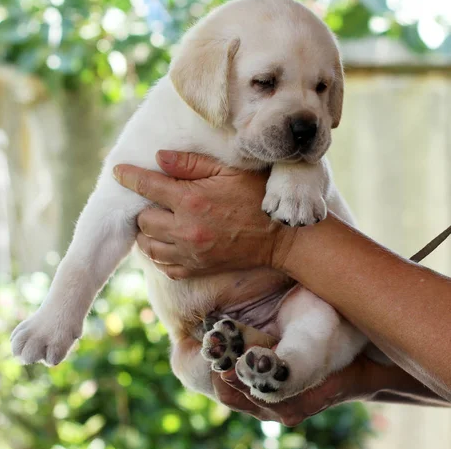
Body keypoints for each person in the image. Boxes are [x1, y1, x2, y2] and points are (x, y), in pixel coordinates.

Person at [113, 151, 451, 426]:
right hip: (209, 334)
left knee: (307, 320)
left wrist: (283, 241)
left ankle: (282, 359)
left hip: (293, 299)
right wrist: (364, 377)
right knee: (189, 365)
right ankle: (276, 360)